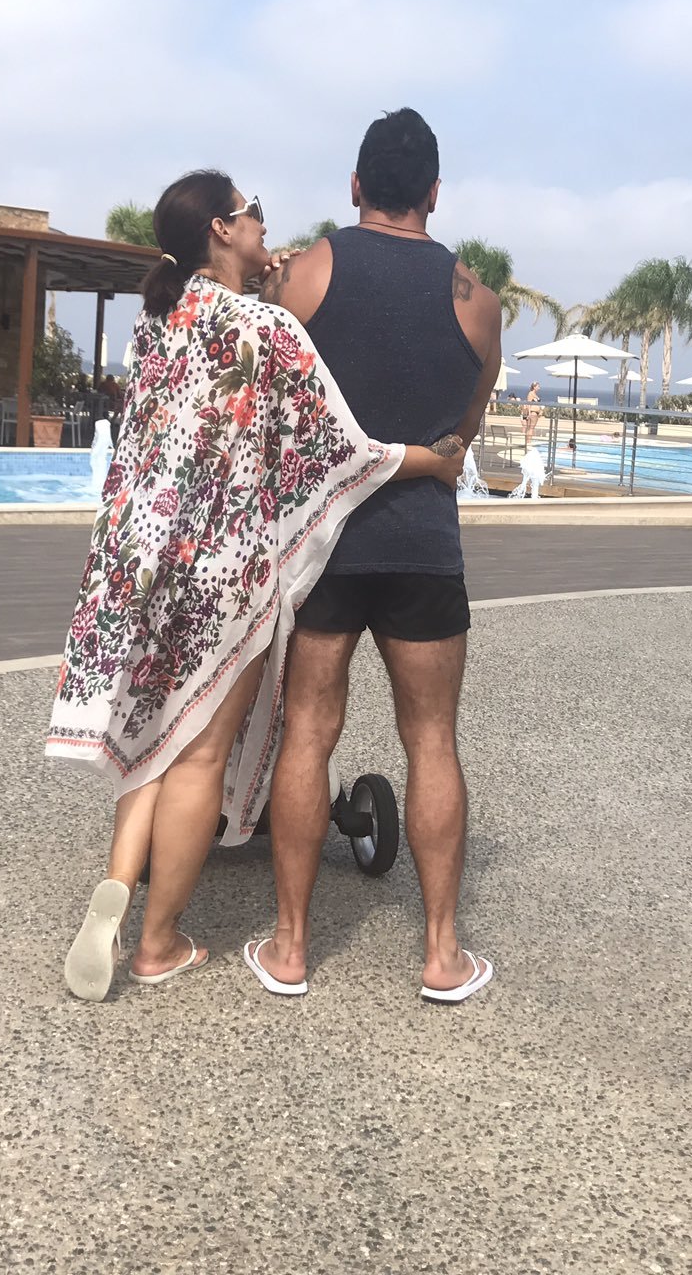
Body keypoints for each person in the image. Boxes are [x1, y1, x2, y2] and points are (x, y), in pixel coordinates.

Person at [49, 169, 467, 1002]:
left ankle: (120, 886)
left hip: (143, 563)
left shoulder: (159, 321)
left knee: (152, 739)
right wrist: (431, 460)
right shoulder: (264, 329)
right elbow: (337, 444)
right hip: (222, 569)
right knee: (201, 753)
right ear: (221, 229)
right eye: (253, 214)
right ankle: (157, 943)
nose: (264, 224)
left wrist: (264, 283)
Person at [256, 108, 502, 1003]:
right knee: (432, 739)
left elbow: (267, 408)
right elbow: (462, 431)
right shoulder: (478, 301)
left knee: (308, 732)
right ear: (435, 192)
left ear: (356, 185)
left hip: (321, 543)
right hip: (423, 546)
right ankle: (442, 955)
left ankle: (290, 949)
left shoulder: (305, 275)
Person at [521, 381, 543, 452]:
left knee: (531, 428)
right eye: (538, 386)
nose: (539, 388)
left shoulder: (534, 394)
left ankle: (528, 443)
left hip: (535, 413)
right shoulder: (530, 394)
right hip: (533, 413)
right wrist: (529, 413)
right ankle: (528, 443)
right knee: (531, 428)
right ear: (534, 387)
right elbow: (529, 404)